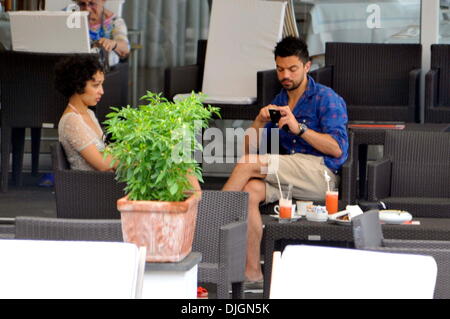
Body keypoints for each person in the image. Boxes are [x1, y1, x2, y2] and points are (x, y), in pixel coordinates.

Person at [222, 36, 349, 288]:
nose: (285, 75)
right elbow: (249, 152)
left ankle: (209, 219)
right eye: (280, 69)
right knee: (248, 191)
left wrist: (299, 128)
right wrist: (258, 122)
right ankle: (253, 274)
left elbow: (337, 149)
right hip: (288, 174)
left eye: (292, 69)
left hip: (319, 173)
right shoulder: (279, 100)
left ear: (307, 66)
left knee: (249, 166)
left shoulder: (326, 98)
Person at [55, 54, 117, 171]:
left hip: (108, 181)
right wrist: (133, 158)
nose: (102, 91)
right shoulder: (71, 120)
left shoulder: (89, 113)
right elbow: (102, 164)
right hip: (95, 185)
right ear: (78, 85)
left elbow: (106, 151)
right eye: (96, 85)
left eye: (101, 84)